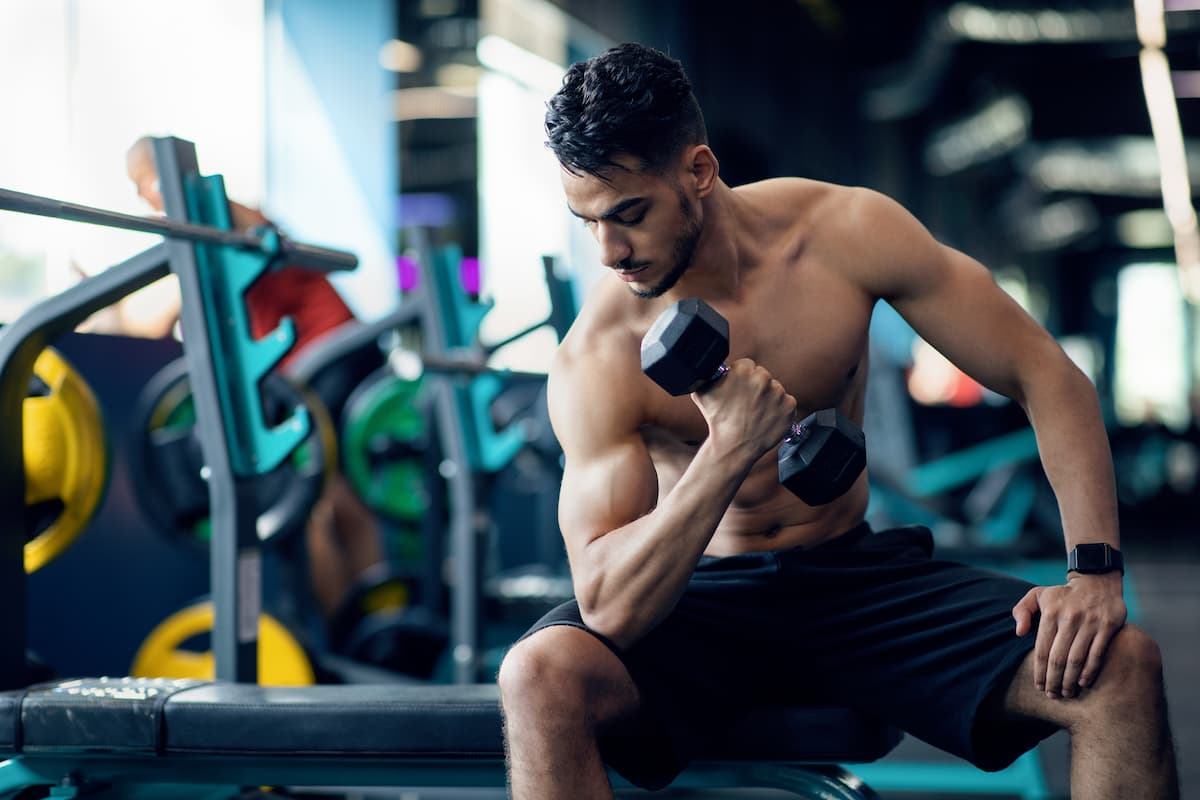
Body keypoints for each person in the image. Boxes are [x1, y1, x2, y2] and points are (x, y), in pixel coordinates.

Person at [497, 44, 1178, 799]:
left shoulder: (843, 234)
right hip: (698, 598)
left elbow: (1045, 374)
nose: (611, 251)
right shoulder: (600, 352)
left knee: (1121, 666)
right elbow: (612, 608)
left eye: (629, 215)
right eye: (586, 221)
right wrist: (727, 451)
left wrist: (1093, 573)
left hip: (854, 582)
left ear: (697, 170)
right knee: (538, 675)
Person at [124, 136, 385, 627]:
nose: (144, 200)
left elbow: (260, 231)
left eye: (144, 186)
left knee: (316, 507)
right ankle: (373, 627)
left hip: (327, 360)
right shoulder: (201, 234)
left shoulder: (219, 216)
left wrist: (190, 200)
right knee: (346, 502)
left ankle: (346, 629)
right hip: (343, 356)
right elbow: (160, 315)